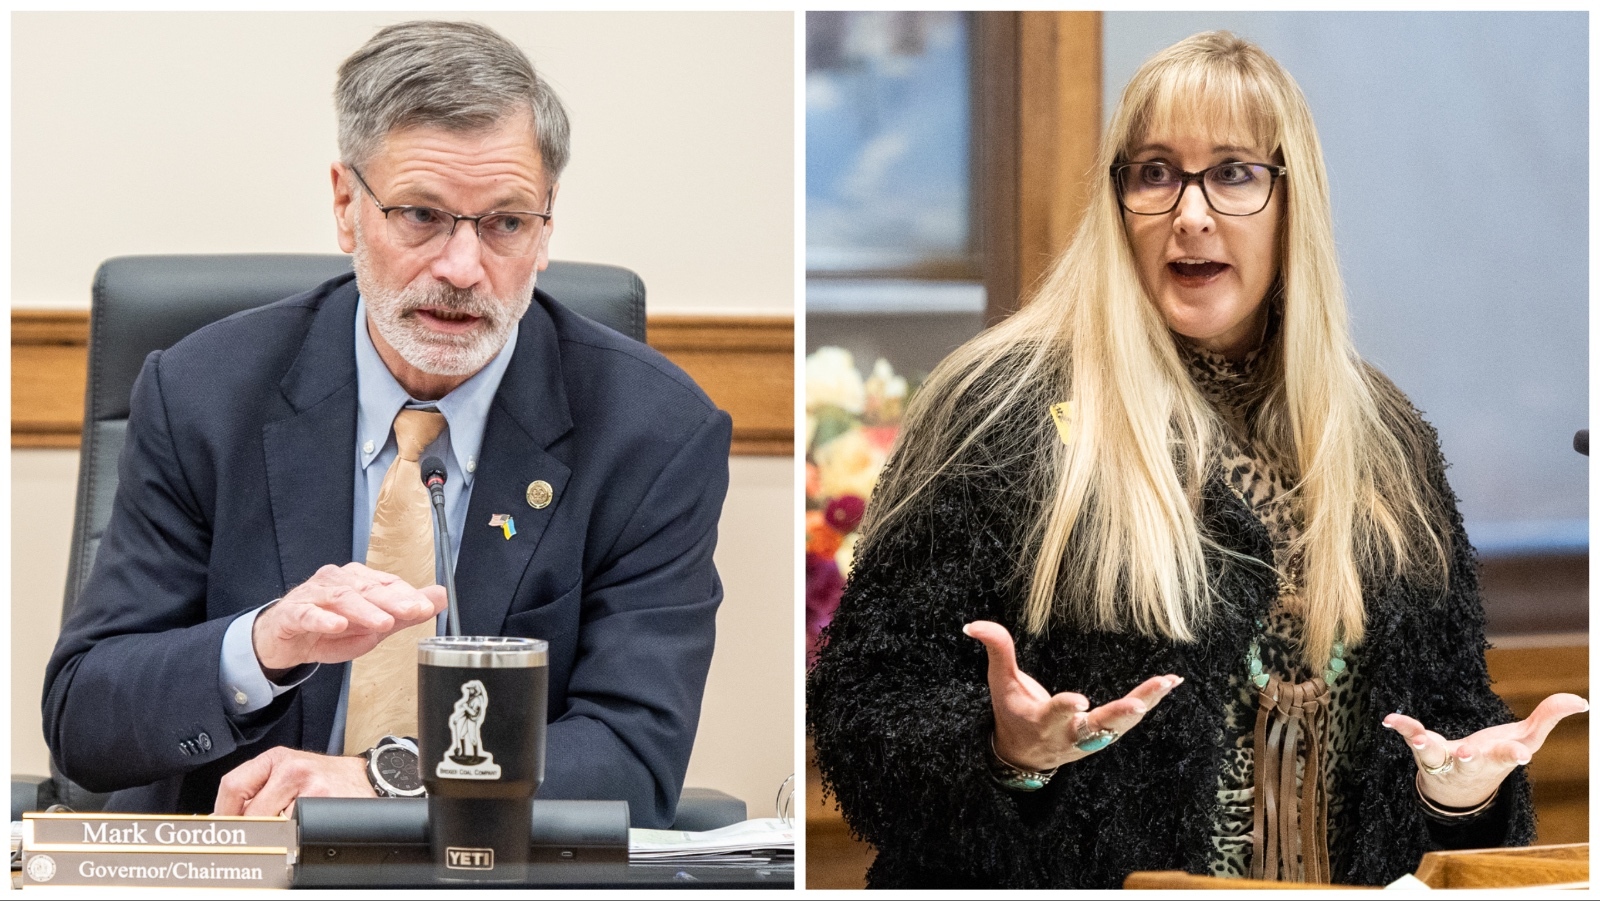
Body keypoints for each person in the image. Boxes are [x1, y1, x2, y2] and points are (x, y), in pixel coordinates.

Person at [807, 31, 1585, 888]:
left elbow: (1447, 716)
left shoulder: (1384, 438)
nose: (1190, 212)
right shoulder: (1002, 408)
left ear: (1295, 201)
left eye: (1233, 173)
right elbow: (865, 709)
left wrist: (1461, 795)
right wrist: (1006, 752)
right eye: (1153, 173)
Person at [42, 20, 731, 829]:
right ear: (345, 204)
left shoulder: (653, 432)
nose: (463, 268)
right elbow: (84, 722)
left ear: (547, 227)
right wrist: (262, 645)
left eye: (506, 223)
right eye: (422, 215)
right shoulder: (202, 393)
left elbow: (633, 758)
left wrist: (386, 781)